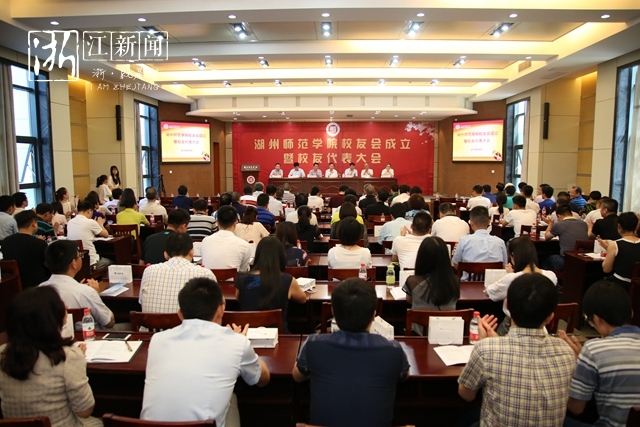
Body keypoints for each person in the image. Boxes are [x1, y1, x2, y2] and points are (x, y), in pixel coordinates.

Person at [141, 277, 270, 427]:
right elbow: (262, 379)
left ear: (180, 314)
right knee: (231, 398)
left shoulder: (157, 340)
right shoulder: (237, 343)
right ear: (221, 310)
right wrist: (240, 342)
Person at [458, 273, 575, 427]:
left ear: (507, 306)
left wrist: (489, 346)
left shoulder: (486, 349)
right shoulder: (567, 352)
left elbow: (466, 394)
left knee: (462, 414)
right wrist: (494, 345)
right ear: (550, 317)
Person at [293, 278, 409, 427]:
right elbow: (404, 376)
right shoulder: (394, 350)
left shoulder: (313, 344)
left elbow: (297, 376)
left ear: (333, 312)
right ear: (374, 315)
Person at [0, 286, 103, 427]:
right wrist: (78, 362)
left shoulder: (2, 353)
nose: (66, 307)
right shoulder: (68, 357)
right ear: (51, 319)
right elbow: (84, 411)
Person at [559, 281, 640, 427]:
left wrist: (579, 368)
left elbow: (576, 408)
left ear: (596, 319)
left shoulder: (594, 349)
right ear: (631, 312)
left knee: (554, 418)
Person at [486, 236, 558, 335]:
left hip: (511, 327)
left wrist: (509, 275)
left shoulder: (511, 278)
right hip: (541, 327)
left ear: (513, 256)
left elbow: (489, 292)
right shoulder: (551, 276)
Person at [40, 240, 115, 329]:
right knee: (126, 325)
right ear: (73, 263)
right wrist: (96, 294)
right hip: (91, 336)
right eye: (80, 256)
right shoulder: (86, 292)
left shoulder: (40, 290)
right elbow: (109, 322)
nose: (81, 258)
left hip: (55, 336)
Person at [236, 237, 307, 332]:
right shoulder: (287, 280)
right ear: (281, 256)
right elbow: (303, 299)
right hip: (279, 335)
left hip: (247, 333)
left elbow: (239, 298)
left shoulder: (241, 279)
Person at [140, 233, 216, 313]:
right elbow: (216, 305)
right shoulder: (205, 274)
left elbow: (141, 302)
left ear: (166, 255)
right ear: (191, 252)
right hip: (188, 321)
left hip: (151, 321)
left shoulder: (148, 271)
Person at [402, 237, 460, 335]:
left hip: (419, 335)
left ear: (421, 258)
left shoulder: (413, 281)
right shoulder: (455, 281)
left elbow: (409, 300)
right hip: (448, 335)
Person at [453, 206, 508, 279]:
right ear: (489, 222)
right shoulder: (500, 242)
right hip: (493, 283)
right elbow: (504, 266)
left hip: (468, 284)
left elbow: (456, 264)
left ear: (471, 223)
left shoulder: (464, 241)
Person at [2, 210, 50, 289]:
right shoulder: (39, 244)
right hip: (38, 285)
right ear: (34, 224)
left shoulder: (6, 241)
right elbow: (48, 265)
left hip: (13, 284)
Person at [202, 206, 252, 271]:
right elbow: (243, 271)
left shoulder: (205, 241)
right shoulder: (244, 245)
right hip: (234, 277)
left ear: (217, 222)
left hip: (208, 277)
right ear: (235, 223)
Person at [599, 212, 640, 291]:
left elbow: (606, 269)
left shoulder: (615, 244)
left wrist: (609, 250)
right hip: (637, 287)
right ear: (636, 226)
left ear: (619, 226)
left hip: (620, 286)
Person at [66, 200, 111, 270]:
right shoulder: (90, 222)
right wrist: (100, 224)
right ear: (89, 211)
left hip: (75, 263)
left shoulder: (70, 222)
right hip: (91, 263)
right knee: (112, 262)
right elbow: (106, 234)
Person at [543, 204, 589, 271]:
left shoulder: (559, 224)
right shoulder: (583, 224)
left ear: (559, 216)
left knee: (545, 260)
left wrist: (550, 223)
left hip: (566, 261)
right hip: (582, 261)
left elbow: (546, 237)